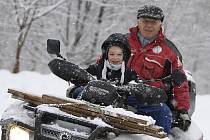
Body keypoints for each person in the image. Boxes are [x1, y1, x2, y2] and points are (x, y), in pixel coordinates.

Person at [126, 5, 191, 133]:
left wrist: (183, 110)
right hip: (120, 90)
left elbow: (180, 82)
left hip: (150, 99)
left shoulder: (170, 51)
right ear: (138, 21)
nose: (149, 25)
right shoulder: (122, 41)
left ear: (160, 23)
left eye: (154, 22)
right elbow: (102, 64)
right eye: (145, 21)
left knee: (164, 114)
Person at [68, 33, 138, 101]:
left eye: (119, 54)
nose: (115, 58)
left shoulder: (129, 73)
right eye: (112, 54)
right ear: (106, 54)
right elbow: (81, 75)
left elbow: (137, 87)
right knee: (78, 91)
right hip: (93, 99)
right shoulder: (97, 68)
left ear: (124, 56)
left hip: (116, 105)